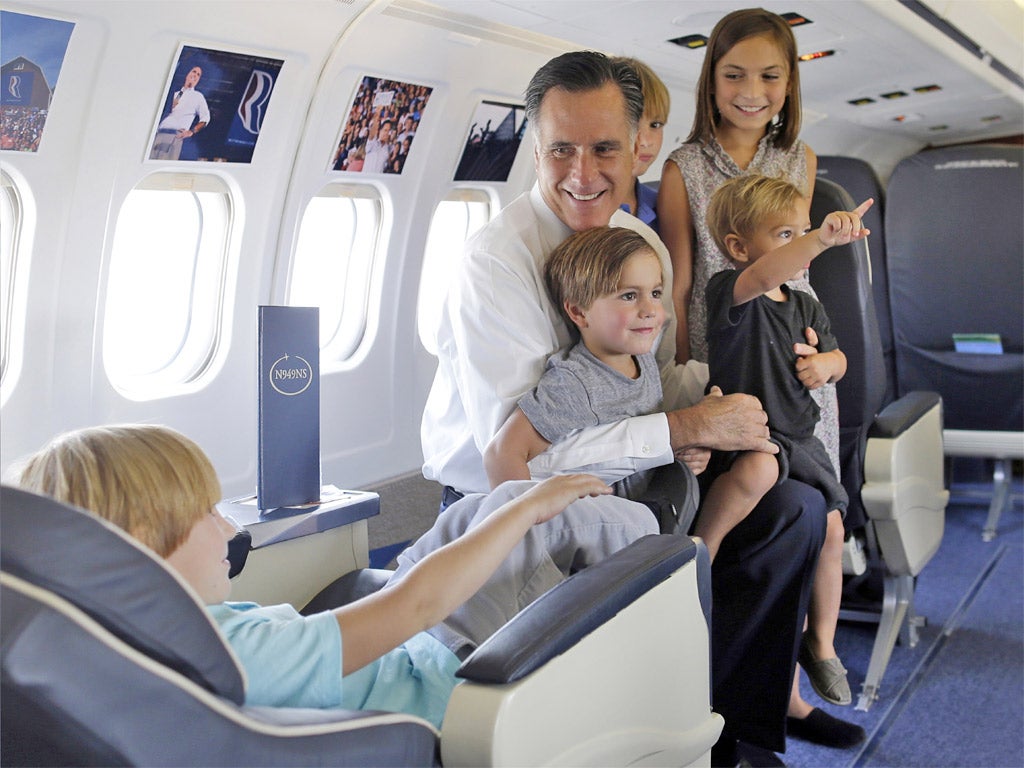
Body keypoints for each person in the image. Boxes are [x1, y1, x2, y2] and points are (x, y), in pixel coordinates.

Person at [420, 49, 827, 765]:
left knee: (791, 511)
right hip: (516, 504)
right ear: (535, 150)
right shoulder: (497, 262)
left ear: (639, 144)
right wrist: (677, 430)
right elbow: (521, 459)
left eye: (605, 148)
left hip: (635, 484)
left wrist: (712, 403)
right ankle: (668, 725)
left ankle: (735, 730)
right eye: (561, 151)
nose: (584, 174)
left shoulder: (638, 242)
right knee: (662, 553)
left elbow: (656, 369)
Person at [16, 423, 661, 730]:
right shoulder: (231, 654)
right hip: (442, 673)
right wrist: (529, 508)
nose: (231, 530)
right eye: (205, 514)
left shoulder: (140, 637)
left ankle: (620, 515)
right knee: (547, 522)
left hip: (398, 651)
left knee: (481, 508)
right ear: (141, 545)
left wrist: (513, 506)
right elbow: (417, 605)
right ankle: (666, 539)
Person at [658, 10, 861, 748]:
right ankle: (730, 699)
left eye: (769, 76)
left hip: (801, 378)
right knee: (772, 526)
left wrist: (824, 361)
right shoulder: (683, 167)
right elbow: (684, 285)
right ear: (711, 78)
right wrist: (691, 389)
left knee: (822, 526)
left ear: (790, 83)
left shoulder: (800, 159)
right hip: (732, 377)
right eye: (734, 73)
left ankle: (793, 693)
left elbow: (800, 273)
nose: (752, 91)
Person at [702, 174, 870, 711]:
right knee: (757, 472)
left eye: (802, 233)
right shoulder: (731, 292)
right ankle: (700, 551)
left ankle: (820, 643)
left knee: (833, 526)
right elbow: (763, 275)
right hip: (750, 430)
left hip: (799, 435)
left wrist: (827, 364)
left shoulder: (805, 305)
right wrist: (820, 236)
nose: (801, 246)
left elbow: (840, 358)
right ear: (738, 246)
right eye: (785, 235)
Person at [484, 226, 665, 486]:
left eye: (655, 293)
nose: (650, 309)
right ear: (579, 312)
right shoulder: (575, 384)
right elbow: (501, 454)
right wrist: (528, 522)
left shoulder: (642, 358)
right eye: (629, 296)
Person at [612, 57, 670, 231]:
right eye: (633, 126)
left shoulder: (665, 209)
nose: (645, 142)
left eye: (655, 125)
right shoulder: (577, 205)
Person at [150, 65, 210, 161]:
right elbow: (172, 108)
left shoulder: (198, 97)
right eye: (194, 71)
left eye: (198, 75)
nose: (195, 75)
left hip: (174, 137)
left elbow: (205, 118)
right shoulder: (176, 94)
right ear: (187, 73)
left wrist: (192, 131)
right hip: (158, 135)